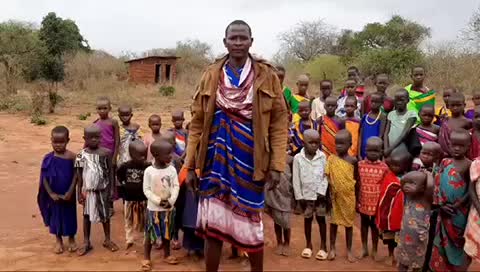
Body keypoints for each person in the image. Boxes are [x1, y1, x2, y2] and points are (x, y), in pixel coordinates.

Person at [184, 20, 288, 272]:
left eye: (243, 38)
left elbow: (278, 123)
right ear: (225, 42)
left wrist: (276, 165)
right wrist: (189, 165)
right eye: (233, 38)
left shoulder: (267, 75)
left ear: (251, 41)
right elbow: (197, 122)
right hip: (213, 161)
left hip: (252, 162)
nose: (238, 43)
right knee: (213, 225)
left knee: (252, 224)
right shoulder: (211, 74)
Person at [430, 129, 472, 271]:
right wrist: (440, 204)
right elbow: (437, 183)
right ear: (449, 144)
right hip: (443, 210)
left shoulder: (469, 165)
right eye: (454, 145)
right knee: (441, 242)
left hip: (459, 213)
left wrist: (458, 205)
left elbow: (470, 190)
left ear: (468, 146)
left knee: (458, 243)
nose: (457, 148)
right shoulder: (444, 162)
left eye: (461, 146)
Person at [76, 125, 118, 256]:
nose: (94, 140)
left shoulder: (106, 153)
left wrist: (112, 190)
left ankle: (107, 239)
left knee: (105, 215)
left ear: (101, 138)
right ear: (84, 138)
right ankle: (86, 241)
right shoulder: (80, 155)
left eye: (97, 137)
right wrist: (79, 193)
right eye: (90, 138)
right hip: (87, 191)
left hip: (103, 190)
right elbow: (79, 175)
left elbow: (111, 172)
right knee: (86, 215)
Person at [37, 126, 77, 254]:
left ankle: (71, 238)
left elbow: (76, 175)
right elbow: (44, 178)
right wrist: (51, 193)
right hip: (53, 196)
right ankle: (58, 240)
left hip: (68, 195)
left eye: (61, 142)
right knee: (56, 217)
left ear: (68, 140)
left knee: (70, 216)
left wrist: (70, 192)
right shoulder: (48, 158)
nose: (58, 145)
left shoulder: (72, 157)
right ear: (51, 140)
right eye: (55, 142)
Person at [142, 140, 180, 270]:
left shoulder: (172, 170)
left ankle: (167, 254)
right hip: (153, 209)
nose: (171, 156)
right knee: (149, 233)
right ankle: (146, 258)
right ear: (156, 155)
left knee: (167, 233)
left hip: (168, 208)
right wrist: (158, 201)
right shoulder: (149, 171)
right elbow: (146, 190)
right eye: (168, 153)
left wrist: (171, 201)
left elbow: (176, 186)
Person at [292, 129, 328, 260]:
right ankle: (308, 245)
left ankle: (324, 246)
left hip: (319, 197)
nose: (314, 145)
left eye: (317, 143)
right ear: (303, 142)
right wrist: (299, 196)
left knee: (321, 219)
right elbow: (296, 179)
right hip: (305, 197)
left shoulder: (322, 157)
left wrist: (322, 191)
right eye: (310, 142)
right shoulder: (298, 158)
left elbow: (326, 176)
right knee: (307, 220)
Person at [326, 130, 358, 262]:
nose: (338, 146)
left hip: (349, 197)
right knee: (333, 224)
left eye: (342, 143)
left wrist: (358, 198)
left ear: (350, 144)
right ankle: (332, 248)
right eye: (337, 143)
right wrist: (328, 195)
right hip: (335, 197)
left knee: (348, 225)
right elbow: (327, 178)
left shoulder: (353, 161)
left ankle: (349, 250)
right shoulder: (331, 159)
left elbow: (356, 179)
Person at [376, 147, 410, 266]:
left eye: (398, 165)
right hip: (390, 217)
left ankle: (401, 257)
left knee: (402, 239)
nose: (394, 167)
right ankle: (391, 255)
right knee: (390, 238)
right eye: (393, 165)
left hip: (403, 216)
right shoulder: (388, 176)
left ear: (405, 166)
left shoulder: (408, 178)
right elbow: (384, 197)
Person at [357, 137, 389, 260]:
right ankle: (364, 248)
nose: (372, 153)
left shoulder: (384, 167)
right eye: (369, 150)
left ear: (381, 151)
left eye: (375, 151)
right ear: (365, 150)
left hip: (377, 203)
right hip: (363, 200)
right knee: (364, 224)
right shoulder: (360, 165)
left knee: (375, 226)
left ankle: (374, 249)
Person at [397, 171, 434, 272]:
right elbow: (403, 180)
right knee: (402, 262)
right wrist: (406, 180)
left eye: (413, 183)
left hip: (419, 238)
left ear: (423, 188)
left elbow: (430, 186)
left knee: (417, 265)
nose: (407, 185)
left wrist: (428, 174)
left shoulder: (426, 199)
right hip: (405, 236)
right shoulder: (409, 196)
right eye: (407, 183)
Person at [116, 140, 149, 249]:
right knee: (128, 219)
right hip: (129, 199)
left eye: (145, 155)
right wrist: (124, 191)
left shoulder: (147, 167)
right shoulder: (125, 167)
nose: (143, 158)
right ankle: (129, 238)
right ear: (131, 155)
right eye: (140, 156)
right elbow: (119, 179)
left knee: (145, 219)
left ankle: (146, 238)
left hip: (143, 199)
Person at [266, 152, 293, 257]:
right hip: (274, 194)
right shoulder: (270, 159)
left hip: (286, 194)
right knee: (277, 219)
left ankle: (287, 243)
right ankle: (279, 243)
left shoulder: (291, 160)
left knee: (286, 221)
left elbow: (294, 177)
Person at [384, 88, 417, 157]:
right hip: (389, 150)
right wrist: (386, 148)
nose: (399, 102)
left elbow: (404, 133)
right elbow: (386, 133)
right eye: (397, 100)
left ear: (407, 100)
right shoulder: (391, 114)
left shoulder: (411, 114)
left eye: (402, 100)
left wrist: (390, 149)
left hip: (403, 149)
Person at [438, 93, 472, 157]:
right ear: (448, 106)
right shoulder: (445, 120)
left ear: (464, 105)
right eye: (452, 105)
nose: (455, 108)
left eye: (458, 105)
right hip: (443, 156)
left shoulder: (467, 122)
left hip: (459, 155)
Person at [359, 92, 387, 159]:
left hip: (374, 151)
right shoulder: (365, 117)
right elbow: (360, 136)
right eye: (372, 101)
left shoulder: (382, 117)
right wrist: (358, 153)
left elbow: (381, 136)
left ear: (381, 103)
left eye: (376, 102)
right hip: (363, 149)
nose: (373, 104)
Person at [93, 97, 120, 165]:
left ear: (110, 108)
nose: (102, 111)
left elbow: (117, 140)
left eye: (105, 108)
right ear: (96, 109)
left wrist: (115, 156)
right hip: (99, 152)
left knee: (111, 170)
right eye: (99, 108)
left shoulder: (113, 122)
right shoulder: (95, 123)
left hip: (111, 152)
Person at [465, 156, 480, 262]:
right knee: (473, 245)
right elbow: (471, 188)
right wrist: (478, 207)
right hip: (477, 212)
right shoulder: (477, 164)